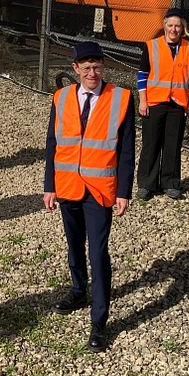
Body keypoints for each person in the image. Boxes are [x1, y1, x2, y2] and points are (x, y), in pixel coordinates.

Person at [43, 41, 135, 353]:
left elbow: (125, 150)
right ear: (76, 69)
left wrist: (124, 190)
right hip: (67, 186)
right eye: (86, 68)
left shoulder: (121, 99)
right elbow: (53, 144)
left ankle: (99, 321)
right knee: (74, 245)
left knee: (98, 252)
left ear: (103, 67)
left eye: (97, 67)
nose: (92, 73)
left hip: (99, 190)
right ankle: (78, 289)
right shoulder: (62, 97)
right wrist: (49, 185)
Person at [136, 7, 189, 200]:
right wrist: (142, 101)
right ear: (164, 26)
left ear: (183, 28)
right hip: (154, 101)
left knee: (173, 144)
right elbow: (142, 75)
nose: (174, 29)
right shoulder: (151, 46)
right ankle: (146, 184)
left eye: (178, 26)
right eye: (170, 25)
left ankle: (170, 183)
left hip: (178, 103)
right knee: (151, 144)